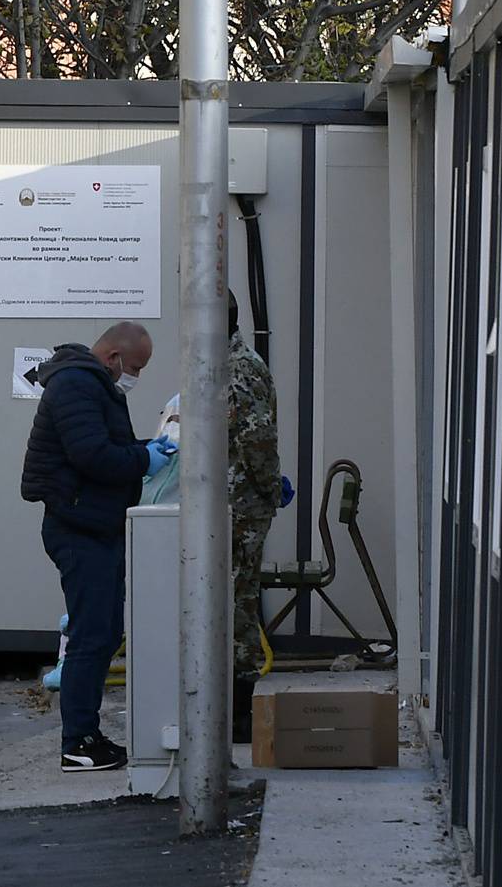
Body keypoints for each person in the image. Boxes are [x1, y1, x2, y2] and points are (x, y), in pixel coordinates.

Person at [20, 321, 175, 772]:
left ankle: (88, 735)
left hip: (94, 525)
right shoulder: (76, 385)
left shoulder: (87, 385)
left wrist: (146, 449)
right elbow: (92, 454)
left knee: (104, 632)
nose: (137, 377)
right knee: (92, 636)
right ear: (113, 359)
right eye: (137, 368)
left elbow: (107, 447)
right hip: (80, 527)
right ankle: (77, 741)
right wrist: (144, 458)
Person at [227, 293, 281, 743]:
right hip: (237, 502)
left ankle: (238, 712)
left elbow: (255, 440)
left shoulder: (238, 368)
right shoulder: (230, 362)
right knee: (233, 597)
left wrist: (268, 487)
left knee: (237, 601)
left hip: (240, 506)